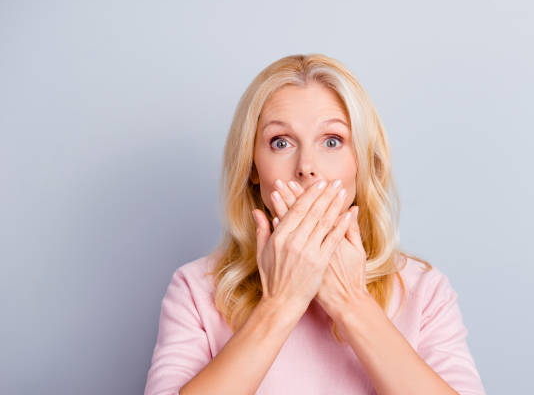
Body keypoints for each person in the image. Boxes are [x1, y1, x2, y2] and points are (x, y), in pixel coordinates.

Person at [144, 54, 486, 395]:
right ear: (252, 167)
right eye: (281, 142)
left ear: (361, 162)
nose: (306, 166)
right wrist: (280, 303)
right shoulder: (196, 289)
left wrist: (351, 302)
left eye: (332, 141)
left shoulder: (424, 291)